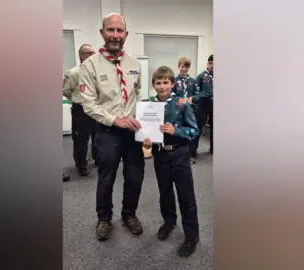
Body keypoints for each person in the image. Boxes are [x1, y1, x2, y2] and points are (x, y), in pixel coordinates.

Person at [79, 13, 145, 241]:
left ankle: (129, 214)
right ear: (102, 33)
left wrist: (144, 122)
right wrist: (116, 120)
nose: (115, 35)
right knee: (106, 177)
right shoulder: (89, 66)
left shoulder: (135, 64)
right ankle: (104, 218)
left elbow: (137, 94)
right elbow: (89, 103)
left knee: (135, 176)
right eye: (110, 30)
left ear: (126, 34)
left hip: (132, 132)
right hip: (107, 132)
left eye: (119, 31)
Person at [145, 66, 200, 257]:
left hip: (179, 154)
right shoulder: (149, 106)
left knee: (185, 195)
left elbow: (194, 131)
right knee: (165, 192)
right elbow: (146, 133)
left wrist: (176, 131)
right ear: (153, 86)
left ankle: (191, 235)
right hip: (160, 155)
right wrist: (146, 138)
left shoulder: (182, 103)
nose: (162, 87)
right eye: (158, 83)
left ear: (172, 83)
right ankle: (169, 222)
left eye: (165, 82)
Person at [62, 44, 97, 176]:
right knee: (81, 139)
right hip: (81, 110)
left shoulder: (96, 72)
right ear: (81, 56)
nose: (93, 55)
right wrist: (78, 100)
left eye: (94, 53)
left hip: (96, 109)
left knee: (98, 136)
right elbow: (65, 90)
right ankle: (81, 165)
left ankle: (98, 159)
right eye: (89, 53)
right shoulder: (74, 73)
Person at [172, 56, 200, 164]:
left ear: (189, 68)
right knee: (179, 132)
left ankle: (189, 156)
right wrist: (179, 100)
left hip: (190, 111)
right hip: (178, 111)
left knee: (189, 132)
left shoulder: (193, 81)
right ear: (179, 66)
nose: (184, 69)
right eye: (182, 66)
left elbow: (198, 94)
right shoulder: (174, 80)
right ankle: (179, 155)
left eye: (186, 67)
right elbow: (172, 94)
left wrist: (192, 98)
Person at [194, 54, 214, 155]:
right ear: (207, 63)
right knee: (199, 126)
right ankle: (193, 151)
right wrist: (199, 97)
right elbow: (195, 89)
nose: (212, 65)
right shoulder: (201, 76)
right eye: (210, 63)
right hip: (203, 102)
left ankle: (213, 149)